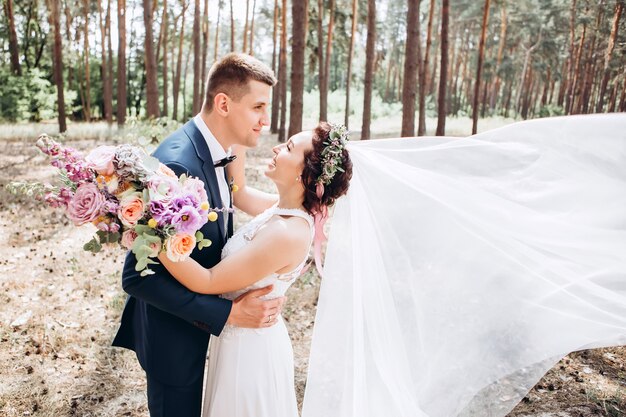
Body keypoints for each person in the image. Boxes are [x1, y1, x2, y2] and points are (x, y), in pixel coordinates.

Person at [112, 53, 286, 417]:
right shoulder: (177, 166)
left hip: (213, 339)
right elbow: (138, 277)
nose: (265, 120)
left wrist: (305, 206)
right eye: (257, 107)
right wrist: (228, 315)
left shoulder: (224, 148)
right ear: (223, 103)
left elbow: (237, 199)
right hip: (174, 337)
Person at [156, 122, 353, 417]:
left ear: (305, 175)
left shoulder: (287, 233)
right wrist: (241, 132)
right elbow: (241, 193)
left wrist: (147, 227)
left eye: (287, 147)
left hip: (249, 356)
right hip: (239, 341)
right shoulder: (286, 207)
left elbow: (207, 280)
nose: (275, 147)